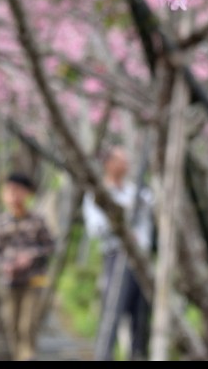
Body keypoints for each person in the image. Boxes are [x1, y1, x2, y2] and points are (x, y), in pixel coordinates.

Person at [82, 145, 153, 361]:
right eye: (121, 160)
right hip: (115, 256)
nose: (126, 164)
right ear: (109, 164)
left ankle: (138, 355)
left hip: (139, 258)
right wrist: (120, 227)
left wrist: (139, 241)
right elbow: (95, 229)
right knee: (113, 312)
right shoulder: (97, 195)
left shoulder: (137, 192)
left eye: (126, 159)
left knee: (140, 314)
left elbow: (148, 221)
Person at [0, 172, 56, 362]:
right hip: (9, 281)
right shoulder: (1, 221)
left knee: (28, 323)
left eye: (17, 190)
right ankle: (16, 355)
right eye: (9, 190)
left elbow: (50, 246)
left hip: (34, 279)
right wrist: (4, 266)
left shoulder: (37, 220)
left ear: (27, 194)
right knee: (11, 324)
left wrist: (31, 256)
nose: (13, 195)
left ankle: (28, 355)